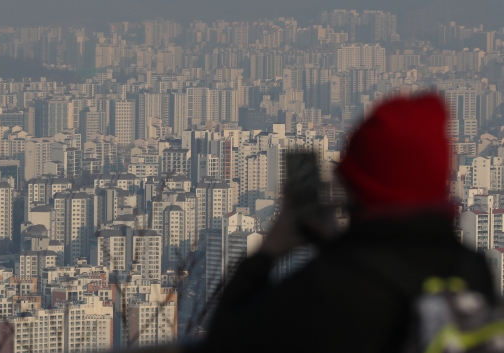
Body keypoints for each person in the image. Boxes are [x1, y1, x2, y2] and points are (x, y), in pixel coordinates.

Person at [189, 94, 495, 353]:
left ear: (357, 186)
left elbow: (228, 342)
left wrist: (269, 250)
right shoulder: (471, 271)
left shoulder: (333, 282)